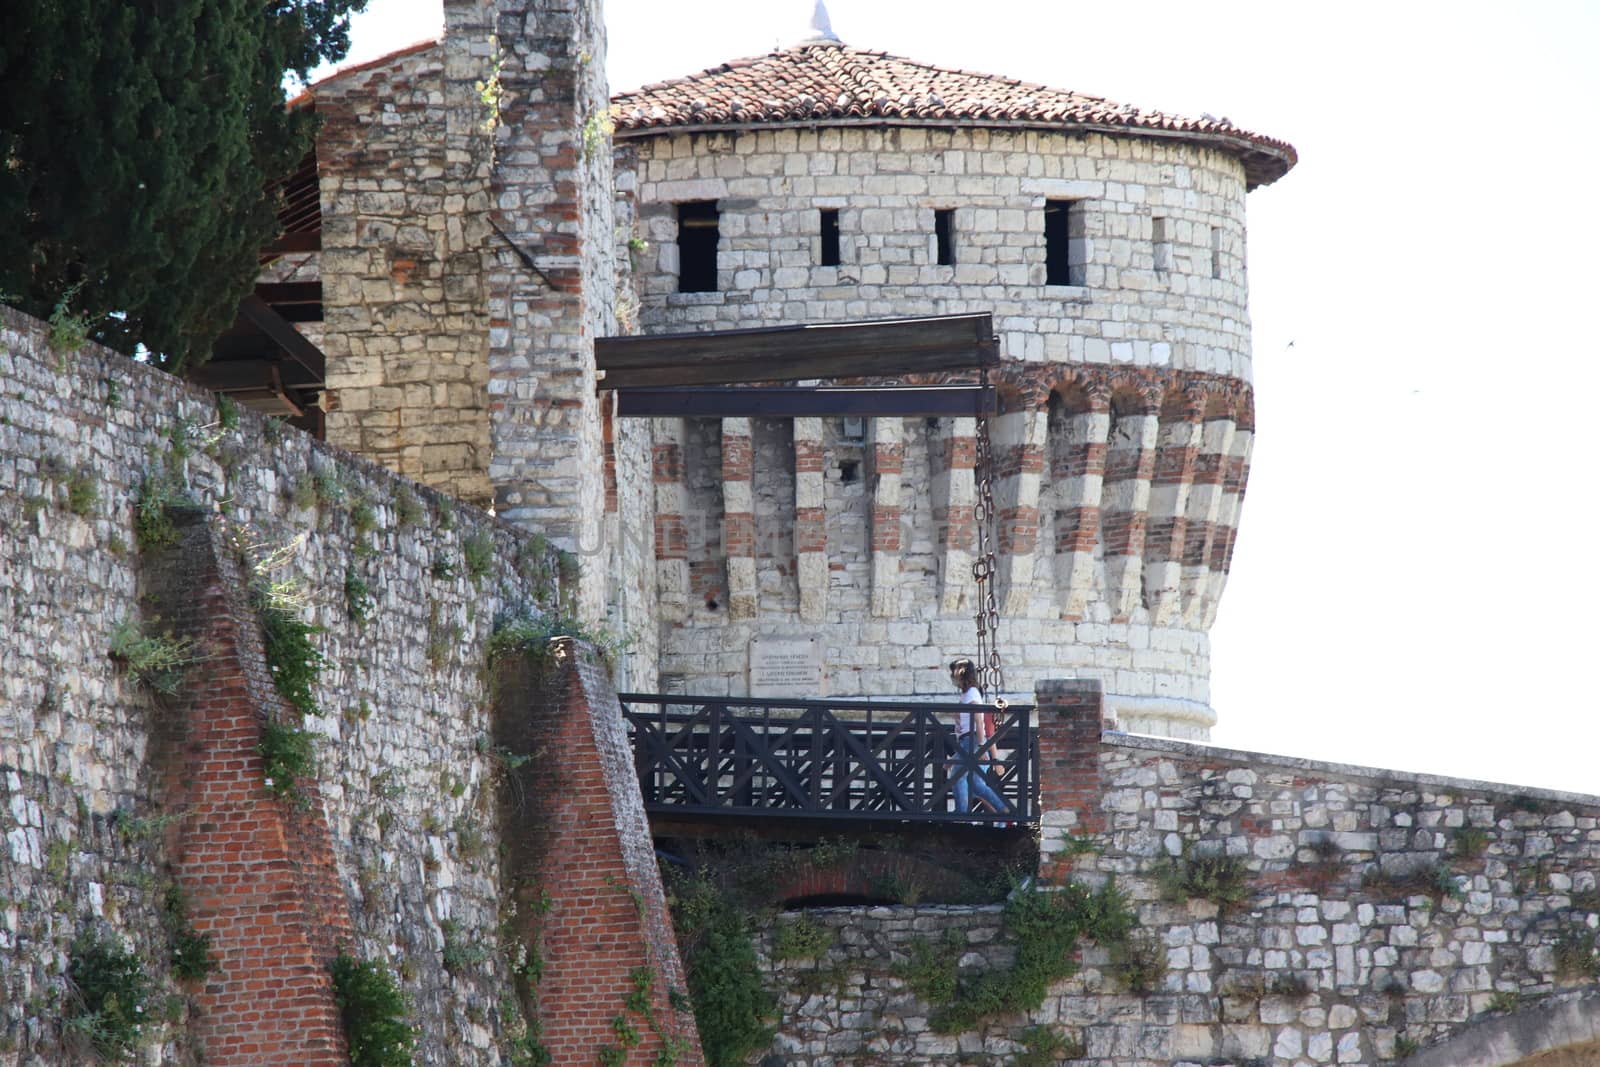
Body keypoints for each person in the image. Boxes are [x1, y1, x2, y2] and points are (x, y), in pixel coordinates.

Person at [947, 658, 1011, 819]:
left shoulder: (972, 693)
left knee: (957, 775)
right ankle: (1002, 808)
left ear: (960, 675)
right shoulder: (968, 694)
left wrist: (982, 745)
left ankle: (962, 813)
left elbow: (978, 718)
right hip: (968, 740)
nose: (952, 678)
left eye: (953, 674)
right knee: (976, 783)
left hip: (972, 739)